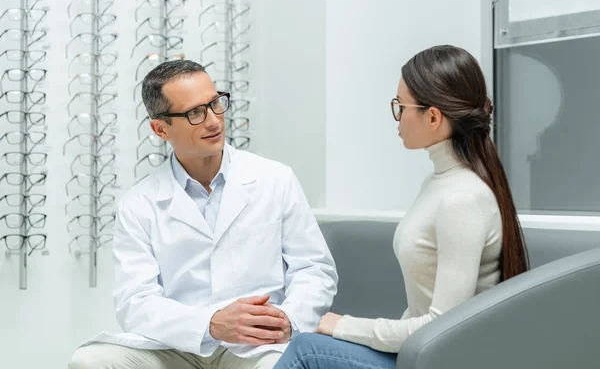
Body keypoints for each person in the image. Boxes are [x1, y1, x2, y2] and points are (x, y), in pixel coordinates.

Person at [68, 60, 338, 369]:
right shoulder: (138, 203)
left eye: (215, 104)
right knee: (90, 360)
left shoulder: (275, 179)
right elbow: (135, 302)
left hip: (255, 346)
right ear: (160, 129)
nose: (213, 121)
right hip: (178, 345)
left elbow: (315, 270)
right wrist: (210, 323)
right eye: (195, 113)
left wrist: (288, 320)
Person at [274, 45, 530, 369]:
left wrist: (342, 325)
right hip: (422, 354)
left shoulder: (461, 199)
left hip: (443, 360)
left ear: (433, 117)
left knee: (306, 350)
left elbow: (442, 328)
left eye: (401, 106)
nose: (397, 116)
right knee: (310, 343)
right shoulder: (441, 184)